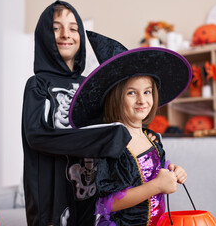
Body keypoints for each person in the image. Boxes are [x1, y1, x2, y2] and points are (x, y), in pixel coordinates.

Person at [21, 0, 133, 226]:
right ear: (44, 34)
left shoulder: (90, 84)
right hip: (50, 199)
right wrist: (103, 139)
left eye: (73, 28)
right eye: (56, 27)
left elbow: (117, 128)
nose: (65, 34)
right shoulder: (37, 84)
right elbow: (36, 136)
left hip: (90, 193)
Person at [69, 31, 192, 225]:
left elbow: (154, 170)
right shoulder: (111, 143)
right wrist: (157, 186)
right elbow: (107, 203)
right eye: (132, 93)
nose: (142, 100)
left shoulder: (152, 137)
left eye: (147, 92)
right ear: (116, 98)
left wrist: (172, 170)